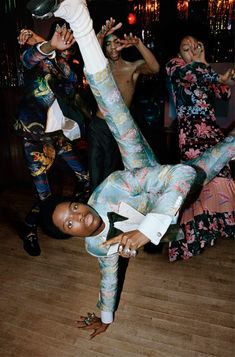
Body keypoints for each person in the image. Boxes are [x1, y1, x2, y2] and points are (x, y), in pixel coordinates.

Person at [27, 0, 235, 338]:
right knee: (229, 148)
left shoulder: (109, 189)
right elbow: (109, 276)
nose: (81, 216)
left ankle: (77, 13)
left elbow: (180, 175)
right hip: (172, 205)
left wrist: (145, 231)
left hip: (143, 178)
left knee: (114, 110)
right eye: (71, 222)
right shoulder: (95, 246)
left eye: (75, 208)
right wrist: (105, 317)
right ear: (72, 236)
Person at [15, 23, 89, 256]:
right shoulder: (35, 58)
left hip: (57, 135)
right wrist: (47, 45)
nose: (68, 46)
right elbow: (29, 58)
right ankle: (30, 228)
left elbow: (69, 79)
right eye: (64, 39)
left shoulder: (65, 68)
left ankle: (65, 211)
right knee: (44, 196)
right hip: (35, 137)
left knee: (86, 177)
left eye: (70, 43)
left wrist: (56, 51)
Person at [166, 35, 235, 261]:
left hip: (213, 135)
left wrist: (205, 60)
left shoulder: (205, 70)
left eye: (195, 46)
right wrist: (205, 67)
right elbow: (191, 74)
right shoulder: (175, 66)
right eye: (186, 48)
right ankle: (191, 238)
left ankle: (213, 228)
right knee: (196, 185)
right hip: (191, 140)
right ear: (179, 53)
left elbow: (223, 93)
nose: (191, 50)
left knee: (222, 179)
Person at [88, 17, 160, 192]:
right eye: (108, 43)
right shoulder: (101, 69)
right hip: (99, 126)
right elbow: (90, 55)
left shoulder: (132, 68)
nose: (112, 47)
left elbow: (155, 68)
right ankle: (93, 207)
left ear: (122, 44)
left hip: (120, 129)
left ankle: (109, 208)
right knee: (95, 172)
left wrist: (138, 44)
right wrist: (99, 37)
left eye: (116, 42)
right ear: (103, 48)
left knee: (111, 172)